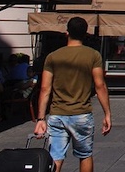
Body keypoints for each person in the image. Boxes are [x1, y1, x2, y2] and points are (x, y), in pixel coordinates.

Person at [33, 16, 111, 172]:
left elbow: (45, 89)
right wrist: (107, 113)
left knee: (55, 157)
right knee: (85, 155)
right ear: (85, 34)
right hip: (82, 114)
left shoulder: (53, 57)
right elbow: (99, 85)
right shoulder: (93, 55)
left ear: (66, 33)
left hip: (57, 114)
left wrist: (41, 118)